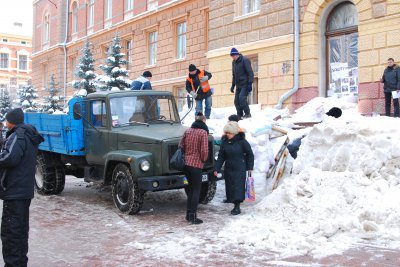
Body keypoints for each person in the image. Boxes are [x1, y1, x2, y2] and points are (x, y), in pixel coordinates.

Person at [0, 108, 44, 267]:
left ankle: (13, 264)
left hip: (14, 191)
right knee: (19, 231)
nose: (5, 123)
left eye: (6, 120)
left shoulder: (17, 136)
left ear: (11, 121)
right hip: (23, 191)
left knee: (11, 232)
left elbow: (8, 158)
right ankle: (19, 263)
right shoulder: (27, 134)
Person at [214, 121, 254, 215]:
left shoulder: (242, 142)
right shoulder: (224, 142)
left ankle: (237, 206)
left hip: (240, 167)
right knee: (230, 186)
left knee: (238, 187)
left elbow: (250, 155)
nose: (227, 134)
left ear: (234, 133)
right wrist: (217, 168)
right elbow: (221, 156)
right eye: (226, 133)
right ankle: (231, 200)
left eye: (229, 133)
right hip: (229, 167)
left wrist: (249, 167)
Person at [179, 112, 209, 224]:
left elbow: (180, 146)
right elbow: (204, 151)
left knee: (191, 190)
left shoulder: (188, 131)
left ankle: (188, 214)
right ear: (203, 121)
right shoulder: (203, 133)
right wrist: (203, 160)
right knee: (196, 190)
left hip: (186, 164)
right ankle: (193, 217)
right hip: (196, 165)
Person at [230, 48, 254, 119]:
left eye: (234, 55)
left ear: (237, 54)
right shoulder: (233, 62)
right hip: (238, 85)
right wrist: (232, 85)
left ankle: (247, 114)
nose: (233, 57)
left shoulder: (245, 60)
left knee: (242, 99)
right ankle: (239, 115)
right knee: (236, 101)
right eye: (232, 56)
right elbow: (234, 75)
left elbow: (250, 73)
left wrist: (250, 83)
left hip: (245, 84)